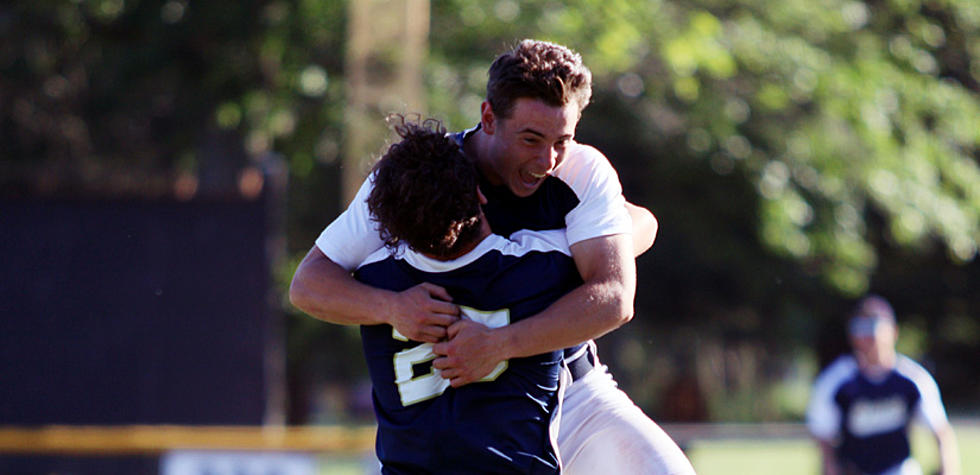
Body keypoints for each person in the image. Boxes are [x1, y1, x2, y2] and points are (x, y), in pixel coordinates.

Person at [291, 39, 694, 474]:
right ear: (488, 118)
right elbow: (309, 283)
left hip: (573, 396)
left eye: (563, 139)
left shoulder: (579, 170)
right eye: (531, 139)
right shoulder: (418, 177)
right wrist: (391, 308)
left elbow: (615, 295)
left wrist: (500, 344)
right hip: (462, 416)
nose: (548, 160)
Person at [355, 118, 580, 473]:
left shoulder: (369, 279)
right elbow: (631, 233)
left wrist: (389, 306)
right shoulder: (547, 265)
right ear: (478, 194)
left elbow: (315, 286)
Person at [806, 295, 960, 475]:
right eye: (860, 328)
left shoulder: (912, 379)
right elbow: (824, 439)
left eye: (874, 326)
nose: (869, 336)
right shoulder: (836, 382)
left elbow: (941, 432)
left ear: (893, 331)